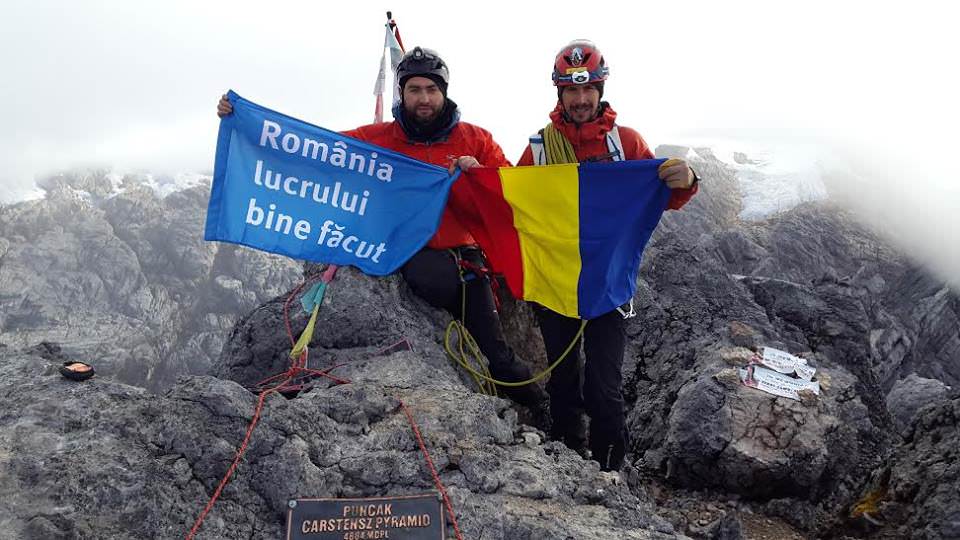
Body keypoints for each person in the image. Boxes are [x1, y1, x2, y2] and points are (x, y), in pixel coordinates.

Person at [218, 46, 546, 407]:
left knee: (499, 359)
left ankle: (542, 411)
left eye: (431, 89)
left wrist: (479, 174)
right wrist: (245, 121)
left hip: (466, 262)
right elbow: (313, 149)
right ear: (402, 93)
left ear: (445, 92)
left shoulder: (475, 140)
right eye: (414, 89)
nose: (424, 98)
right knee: (430, 278)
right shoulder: (379, 140)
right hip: (410, 254)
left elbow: (510, 193)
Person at [517, 40, 700, 471]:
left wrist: (687, 180)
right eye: (571, 91)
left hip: (609, 283)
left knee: (604, 385)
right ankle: (565, 459)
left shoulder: (627, 143)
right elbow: (514, 203)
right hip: (555, 282)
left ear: (600, 89)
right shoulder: (540, 150)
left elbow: (658, 198)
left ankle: (609, 470)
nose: (581, 100)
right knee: (563, 379)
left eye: (588, 90)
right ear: (559, 94)